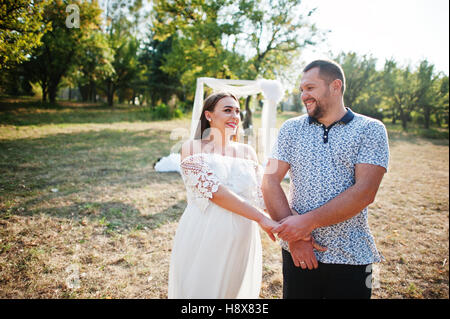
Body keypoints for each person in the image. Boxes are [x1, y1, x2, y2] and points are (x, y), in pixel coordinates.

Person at [262, 60, 389, 299]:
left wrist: (306, 223)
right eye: (301, 90)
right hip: (299, 254)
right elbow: (269, 181)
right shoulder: (291, 129)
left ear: (335, 86)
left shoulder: (370, 129)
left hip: (351, 253)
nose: (303, 95)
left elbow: (365, 192)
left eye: (310, 88)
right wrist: (296, 240)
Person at [168, 92, 280, 299]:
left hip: (243, 234)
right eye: (227, 110)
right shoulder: (191, 148)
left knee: (232, 290)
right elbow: (216, 192)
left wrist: (288, 223)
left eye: (237, 111)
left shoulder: (248, 152)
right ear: (209, 115)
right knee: (202, 290)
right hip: (206, 230)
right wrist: (261, 219)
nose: (235, 116)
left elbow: (262, 196)